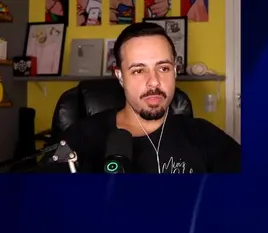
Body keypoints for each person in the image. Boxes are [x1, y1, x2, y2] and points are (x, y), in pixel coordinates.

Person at [56, 22, 239, 173]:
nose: (154, 82)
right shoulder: (81, 137)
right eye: (138, 70)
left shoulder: (204, 136)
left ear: (175, 71)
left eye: (163, 68)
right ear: (120, 76)